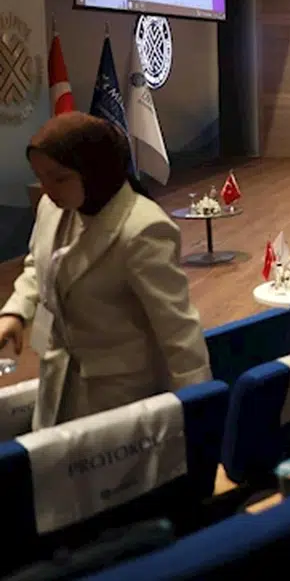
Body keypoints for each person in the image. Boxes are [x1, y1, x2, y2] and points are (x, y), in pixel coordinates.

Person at [0, 114, 210, 429]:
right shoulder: (52, 206)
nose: (46, 189)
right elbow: (40, 263)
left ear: (93, 171)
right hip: (56, 379)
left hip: (118, 396)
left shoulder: (143, 229)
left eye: (59, 178)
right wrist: (15, 312)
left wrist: (197, 411)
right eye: (40, 177)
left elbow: (177, 330)